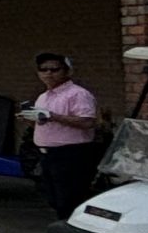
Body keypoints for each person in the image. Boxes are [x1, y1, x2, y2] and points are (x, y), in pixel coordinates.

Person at [26, 51, 102, 218]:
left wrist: (53, 116)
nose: (48, 73)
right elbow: (45, 122)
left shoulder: (77, 94)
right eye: (43, 69)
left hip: (71, 153)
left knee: (69, 198)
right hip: (47, 153)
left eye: (55, 69)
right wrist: (32, 119)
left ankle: (72, 228)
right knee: (52, 196)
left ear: (67, 71)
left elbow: (87, 122)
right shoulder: (43, 97)